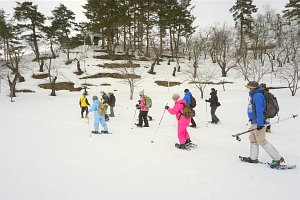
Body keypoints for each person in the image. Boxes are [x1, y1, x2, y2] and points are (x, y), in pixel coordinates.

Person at [240, 81, 284, 168]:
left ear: (253, 88)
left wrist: (260, 124)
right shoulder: (254, 95)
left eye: (249, 87)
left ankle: (278, 159)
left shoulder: (258, 96)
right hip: (254, 122)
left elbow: (260, 110)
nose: (248, 89)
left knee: (261, 140)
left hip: (258, 122)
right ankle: (253, 158)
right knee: (253, 139)